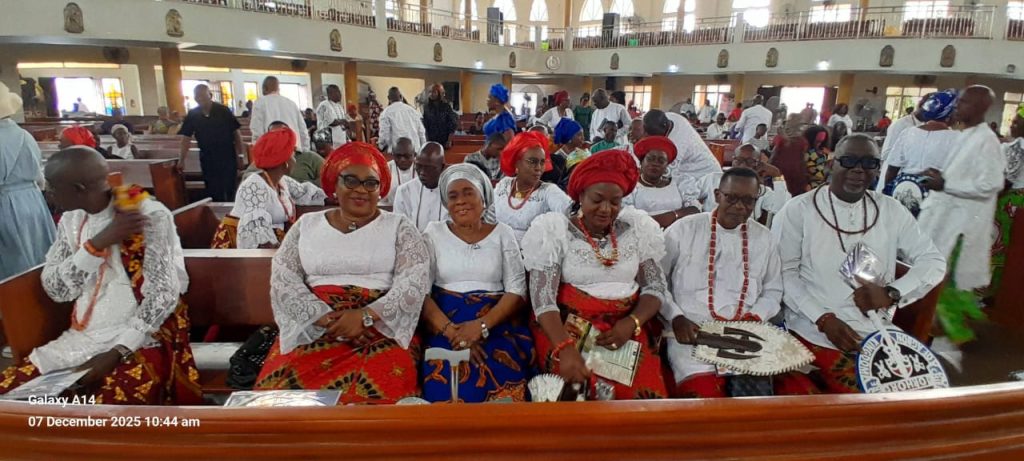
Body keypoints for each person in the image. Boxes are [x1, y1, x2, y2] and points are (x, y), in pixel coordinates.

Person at [0, 147, 201, 405]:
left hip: (140, 339)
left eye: (52, 186)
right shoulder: (71, 220)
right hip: (81, 339)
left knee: (109, 409)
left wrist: (117, 352)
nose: (47, 192)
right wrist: (97, 244)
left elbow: (163, 294)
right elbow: (57, 289)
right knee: (10, 396)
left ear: (78, 189)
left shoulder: (145, 214)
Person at [253, 142, 430, 404]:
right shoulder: (307, 225)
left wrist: (365, 316)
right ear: (334, 185)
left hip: (380, 327)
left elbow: (414, 281)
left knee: (382, 397)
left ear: (380, 190)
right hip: (315, 325)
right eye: (351, 180)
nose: (361, 189)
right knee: (276, 401)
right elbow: (284, 278)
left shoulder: (399, 226)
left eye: (370, 183)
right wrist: (326, 319)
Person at [772, 135, 946, 395]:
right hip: (813, 329)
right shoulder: (798, 210)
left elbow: (933, 261)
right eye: (849, 161)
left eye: (869, 163)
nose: (858, 170)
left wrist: (891, 293)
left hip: (878, 331)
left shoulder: (891, 210)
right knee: (870, 399)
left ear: (877, 169)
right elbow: (784, 274)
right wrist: (824, 319)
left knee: (923, 396)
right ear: (831, 165)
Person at [521, 149, 671, 400]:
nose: (606, 209)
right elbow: (543, 300)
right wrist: (565, 347)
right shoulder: (554, 230)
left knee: (643, 397)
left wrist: (632, 323)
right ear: (581, 196)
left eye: (615, 202)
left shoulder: (637, 228)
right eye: (597, 199)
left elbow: (655, 287)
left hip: (625, 329)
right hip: (568, 329)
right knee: (575, 390)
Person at [661, 168, 783, 398]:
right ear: (717, 195)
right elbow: (657, 282)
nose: (740, 207)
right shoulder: (684, 229)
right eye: (732, 198)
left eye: (748, 200)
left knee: (755, 406)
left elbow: (773, 289)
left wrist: (755, 317)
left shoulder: (764, 238)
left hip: (745, 336)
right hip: (692, 336)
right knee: (704, 403)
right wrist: (675, 317)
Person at [420, 164, 533, 402]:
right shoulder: (433, 233)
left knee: (503, 376)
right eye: (453, 196)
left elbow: (516, 290)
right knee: (444, 384)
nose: (461, 201)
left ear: (484, 198)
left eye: (468, 193)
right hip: (445, 325)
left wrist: (480, 327)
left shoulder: (503, 233)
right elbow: (421, 292)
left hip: (495, 323)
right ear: (446, 204)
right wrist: (454, 333)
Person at [918, 86, 1006, 294]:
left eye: (964, 102)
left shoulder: (987, 140)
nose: (957, 106)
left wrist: (946, 185)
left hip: (962, 226)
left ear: (981, 107)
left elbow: (991, 184)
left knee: (947, 287)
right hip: (944, 217)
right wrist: (940, 175)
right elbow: (963, 174)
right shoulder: (965, 134)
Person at [211, 125, 326, 249]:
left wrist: (332, 197)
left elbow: (305, 193)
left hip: (275, 243)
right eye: (293, 155)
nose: (295, 160)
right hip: (240, 252)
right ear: (285, 162)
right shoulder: (254, 187)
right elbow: (259, 241)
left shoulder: (281, 181)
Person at [0, 82, 55, 280]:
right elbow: (39, 177)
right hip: (32, 200)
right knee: (39, 255)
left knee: (14, 267)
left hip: (5, 204)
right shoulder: (25, 135)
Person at [881, 90, 959, 217]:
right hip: (936, 199)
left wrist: (889, 194)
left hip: (905, 191)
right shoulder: (957, 139)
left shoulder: (908, 133)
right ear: (949, 114)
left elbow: (892, 170)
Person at [494, 132, 572, 243]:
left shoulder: (548, 191)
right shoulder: (504, 185)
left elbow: (569, 212)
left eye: (542, 162)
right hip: (498, 247)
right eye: (532, 162)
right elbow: (488, 216)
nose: (538, 168)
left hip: (530, 252)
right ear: (516, 163)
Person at [178, 84, 245, 202]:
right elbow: (186, 138)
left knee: (230, 189)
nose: (200, 99)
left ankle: (232, 211)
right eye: (197, 96)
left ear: (210, 95)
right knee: (212, 190)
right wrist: (181, 160)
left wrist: (240, 156)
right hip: (207, 158)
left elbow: (236, 134)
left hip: (227, 156)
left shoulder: (223, 110)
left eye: (203, 96)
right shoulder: (193, 114)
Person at [696, 144, 790, 224]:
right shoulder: (712, 179)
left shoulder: (761, 190)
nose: (743, 165)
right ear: (733, 160)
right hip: (710, 228)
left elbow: (779, 207)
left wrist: (777, 175)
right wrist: (697, 211)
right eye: (739, 160)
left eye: (750, 161)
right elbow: (691, 196)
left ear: (759, 164)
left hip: (744, 233)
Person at [624, 136, 700, 228]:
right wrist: (667, 219)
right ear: (641, 162)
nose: (655, 164)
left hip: (678, 232)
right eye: (650, 159)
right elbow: (626, 219)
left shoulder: (679, 183)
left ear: (666, 166)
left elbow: (695, 210)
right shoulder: (631, 186)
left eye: (661, 161)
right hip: (643, 234)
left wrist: (671, 216)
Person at [991, 104, 1024, 295]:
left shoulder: (1017, 148)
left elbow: (1006, 182)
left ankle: (988, 292)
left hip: (1010, 202)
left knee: (998, 245)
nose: (1012, 125)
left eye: (1016, 122)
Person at [642, 109, 722, 181]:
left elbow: (665, 173)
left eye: (655, 134)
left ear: (664, 127)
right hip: (687, 170)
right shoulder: (670, 117)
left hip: (706, 175)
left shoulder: (677, 143)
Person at [393, 142, 448, 230]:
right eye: (418, 166)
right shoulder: (404, 191)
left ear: (442, 167)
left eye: (429, 168)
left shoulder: (453, 191)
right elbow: (399, 227)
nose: (422, 172)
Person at [250, 76, 310, 151]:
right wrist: (305, 151)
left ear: (264, 88)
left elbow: (257, 132)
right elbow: (303, 131)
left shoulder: (259, 103)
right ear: (278, 88)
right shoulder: (291, 103)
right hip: (294, 150)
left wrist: (258, 153)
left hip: (272, 152)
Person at [771, 114, 811, 196]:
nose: (787, 124)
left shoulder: (802, 141)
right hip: (780, 174)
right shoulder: (781, 138)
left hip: (796, 176)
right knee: (779, 193)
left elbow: (803, 159)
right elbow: (774, 155)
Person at [377, 87, 427, 153]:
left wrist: (380, 146)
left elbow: (384, 136)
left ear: (388, 98)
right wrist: (423, 149)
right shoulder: (413, 111)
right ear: (401, 96)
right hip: (414, 151)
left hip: (397, 153)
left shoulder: (385, 113)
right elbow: (421, 132)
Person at [543, 118, 587, 189]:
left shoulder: (584, 153)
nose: (583, 138)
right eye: (579, 135)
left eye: (583, 135)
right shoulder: (557, 158)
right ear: (569, 138)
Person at [380, 137, 417, 207]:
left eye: (407, 156)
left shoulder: (422, 169)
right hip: (391, 209)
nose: (402, 159)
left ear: (414, 155)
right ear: (393, 155)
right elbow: (381, 200)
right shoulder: (384, 170)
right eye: (398, 156)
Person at [422, 84, 458, 148]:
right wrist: (426, 141)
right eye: (430, 92)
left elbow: (452, 125)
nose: (431, 94)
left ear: (439, 93)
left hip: (444, 141)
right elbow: (425, 125)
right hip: (431, 140)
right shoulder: (427, 107)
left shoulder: (446, 107)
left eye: (434, 92)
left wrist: (449, 140)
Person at [315, 84, 350, 149]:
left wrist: (346, 124)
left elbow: (344, 120)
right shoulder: (325, 105)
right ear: (330, 94)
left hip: (340, 140)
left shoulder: (339, 106)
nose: (340, 94)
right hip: (328, 141)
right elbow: (331, 122)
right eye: (337, 92)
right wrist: (343, 121)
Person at [803, 124, 831, 192]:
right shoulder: (806, 153)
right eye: (817, 141)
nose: (819, 143)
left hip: (824, 184)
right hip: (810, 185)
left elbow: (829, 165)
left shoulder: (824, 151)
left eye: (821, 141)